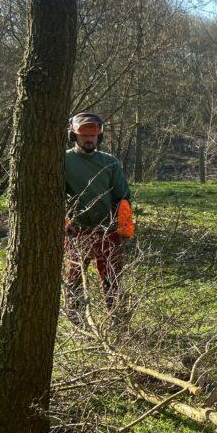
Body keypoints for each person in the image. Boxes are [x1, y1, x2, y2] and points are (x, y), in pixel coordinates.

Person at [64, 112, 134, 318]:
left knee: (111, 277)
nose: (89, 139)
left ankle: (115, 318)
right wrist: (65, 221)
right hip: (77, 230)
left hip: (107, 229)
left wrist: (122, 228)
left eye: (93, 135)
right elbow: (53, 195)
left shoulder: (110, 162)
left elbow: (122, 198)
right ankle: (75, 318)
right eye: (84, 134)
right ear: (74, 136)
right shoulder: (64, 160)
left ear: (99, 137)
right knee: (74, 276)